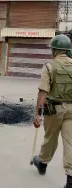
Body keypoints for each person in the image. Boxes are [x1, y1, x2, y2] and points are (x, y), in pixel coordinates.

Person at [32, 34, 72, 188]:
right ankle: (70, 181)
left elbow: (42, 93)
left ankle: (42, 163)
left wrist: (38, 116)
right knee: (70, 142)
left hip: (54, 110)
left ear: (54, 50)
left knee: (50, 138)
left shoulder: (49, 66)